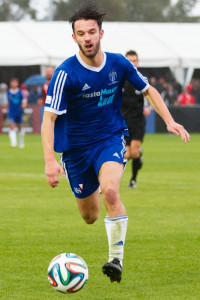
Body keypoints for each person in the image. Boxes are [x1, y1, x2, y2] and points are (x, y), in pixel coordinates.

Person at [41, 4, 190, 283]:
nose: (87, 37)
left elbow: (149, 90)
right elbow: (48, 120)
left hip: (110, 138)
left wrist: (169, 120)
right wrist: (50, 160)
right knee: (90, 217)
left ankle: (115, 261)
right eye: (81, 33)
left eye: (92, 32)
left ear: (101, 33)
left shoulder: (119, 63)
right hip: (75, 151)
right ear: (74, 38)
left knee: (111, 191)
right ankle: (93, 185)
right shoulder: (65, 74)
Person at [121, 50, 151, 189]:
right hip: (124, 121)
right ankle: (139, 156)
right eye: (130, 61)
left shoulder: (141, 79)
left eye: (135, 61)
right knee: (126, 154)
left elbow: (149, 95)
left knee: (133, 151)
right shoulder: (120, 80)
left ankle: (133, 180)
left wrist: (148, 107)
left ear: (138, 62)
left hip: (138, 120)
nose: (132, 63)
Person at [7, 78, 27, 148]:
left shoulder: (20, 92)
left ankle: (21, 143)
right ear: (10, 84)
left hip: (19, 112)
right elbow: (6, 102)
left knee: (20, 127)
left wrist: (24, 104)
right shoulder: (8, 92)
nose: (14, 84)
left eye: (15, 82)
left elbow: (24, 100)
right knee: (12, 126)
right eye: (12, 82)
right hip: (11, 112)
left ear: (17, 84)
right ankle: (14, 143)